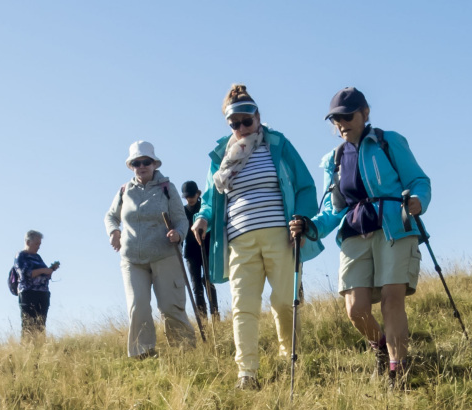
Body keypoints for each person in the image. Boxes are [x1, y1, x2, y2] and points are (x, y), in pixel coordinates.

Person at [290, 87, 431, 389]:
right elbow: (332, 209)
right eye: (336, 119)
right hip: (354, 231)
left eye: (348, 116)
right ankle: (381, 349)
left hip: (395, 225)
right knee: (356, 310)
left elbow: (418, 179)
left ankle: (399, 371)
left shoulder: (388, 142)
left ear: (365, 113)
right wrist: (310, 226)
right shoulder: (334, 160)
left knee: (393, 300)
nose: (342, 123)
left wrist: (418, 198)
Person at [192, 84, 321, 390]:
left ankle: (291, 357)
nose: (241, 128)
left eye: (246, 121)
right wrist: (202, 217)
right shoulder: (221, 154)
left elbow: (304, 185)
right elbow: (211, 197)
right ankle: (246, 374)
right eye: (233, 124)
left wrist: (301, 218)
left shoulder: (277, 143)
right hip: (239, 240)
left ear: (258, 116)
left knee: (283, 300)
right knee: (243, 306)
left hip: (280, 235)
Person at [105, 140, 197, 359]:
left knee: (170, 307)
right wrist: (113, 232)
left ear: (154, 164)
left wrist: (179, 234)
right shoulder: (124, 191)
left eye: (146, 161)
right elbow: (110, 216)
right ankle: (142, 354)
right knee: (138, 307)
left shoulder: (167, 188)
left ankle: (184, 352)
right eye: (136, 162)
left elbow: (181, 220)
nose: (141, 166)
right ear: (131, 166)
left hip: (165, 255)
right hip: (132, 260)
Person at [182, 180, 218, 318]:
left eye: (191, 195)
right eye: (186, 196)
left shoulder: (205, 209)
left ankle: (215, 315)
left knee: (208, 281)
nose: (189, 199)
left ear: (198, 194)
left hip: (207, 249)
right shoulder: (183, 211)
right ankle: (202, 320)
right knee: (196, 286)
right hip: (191, 253)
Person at [14, 230, 59, 340]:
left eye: (39, 244)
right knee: (28, 324)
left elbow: (44, 275)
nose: (38, 247)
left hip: (43, 293)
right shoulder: (21, 255)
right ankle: (26, 349)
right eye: (36, 244)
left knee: (41, 324)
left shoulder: (38, 257)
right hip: (28, 293)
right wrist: (43, 270)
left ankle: (40, 348)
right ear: (28, 242)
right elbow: (25, 274)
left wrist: (51, 270)